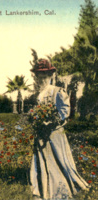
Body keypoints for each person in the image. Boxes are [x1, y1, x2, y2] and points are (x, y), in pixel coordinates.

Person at [29, 59, 90, 200]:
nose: (42, 80)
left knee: (59, 160)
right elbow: (37, 111)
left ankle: (64, 186)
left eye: (44, 76)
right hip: (41, 133)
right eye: (39, 76)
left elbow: (64, 112)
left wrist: (50, 122)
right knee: (42, 161)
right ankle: (43, 186)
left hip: (54, 133)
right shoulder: (39, 94)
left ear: (50, 76)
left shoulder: (57, 91)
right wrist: (35, 119)